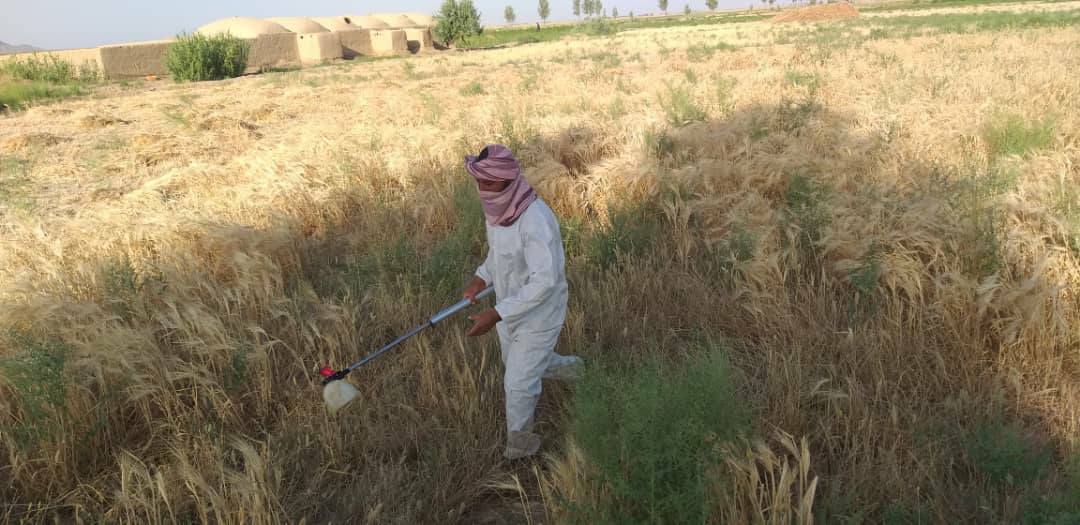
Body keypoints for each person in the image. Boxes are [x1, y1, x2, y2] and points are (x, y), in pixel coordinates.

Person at [460, 144, 582, 461]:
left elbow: (546, 281)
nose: (482, 190)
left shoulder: (535, 220)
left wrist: (496, 314)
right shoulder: (498, 210)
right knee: (523, 364)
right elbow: (498, 255)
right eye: (479, 182)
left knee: (517, 384)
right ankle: (576, 371)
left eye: (489, 183)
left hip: (540, 314)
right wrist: (480, 278)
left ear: (508, 181)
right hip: (508, 307)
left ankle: (520, 450)